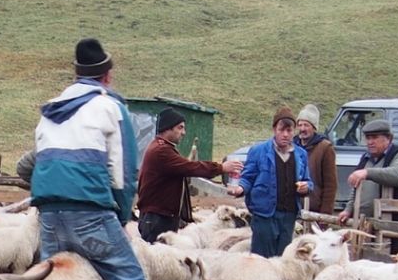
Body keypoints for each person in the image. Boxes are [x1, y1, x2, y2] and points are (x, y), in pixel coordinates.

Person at [30, 38, 147, 280]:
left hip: (48, 215)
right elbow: (123, 172)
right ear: (107, 76)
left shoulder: (49, 112)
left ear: (76, 74)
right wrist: (121, 217)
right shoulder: (110, 108)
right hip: (90, 211)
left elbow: (36, 162)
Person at [136, 107, 242, 243]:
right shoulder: (161, 151)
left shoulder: (163, 148)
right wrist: (221, 167)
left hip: (160, 217)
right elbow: (190, 167)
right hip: (157, 219)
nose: (183, 133)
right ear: (167, 128)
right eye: (180, 128)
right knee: (157, 259)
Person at [227, 106, 312, 257]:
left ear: (294, 131)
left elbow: (308, 181)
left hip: (288, 216)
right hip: (265, 216)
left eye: (289, 130)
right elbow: (248, 177)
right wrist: (240, 188)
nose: (285, 135)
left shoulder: (301, 155)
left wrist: (306, 187)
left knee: (283, 259)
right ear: (274, 130)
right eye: (282, 130)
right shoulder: (259, 151)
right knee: (261, 259)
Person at [337, 119, 398, 252]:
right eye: (368, 138)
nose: (370, 142)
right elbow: (356, 188)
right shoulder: (366, 158)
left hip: (394, 229)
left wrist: (368, 173)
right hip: (367, 226)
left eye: (375, 138)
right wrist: (348, 209)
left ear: (388, 139)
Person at [295, 104, 337, 215]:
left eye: (306, 125)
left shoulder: (325, 148)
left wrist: (325, 214)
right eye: (300, 125)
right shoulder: (292, 146)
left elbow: (330, 185)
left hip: (314, 209)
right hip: (292, 208)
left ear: (314, 127)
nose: (302, 129)